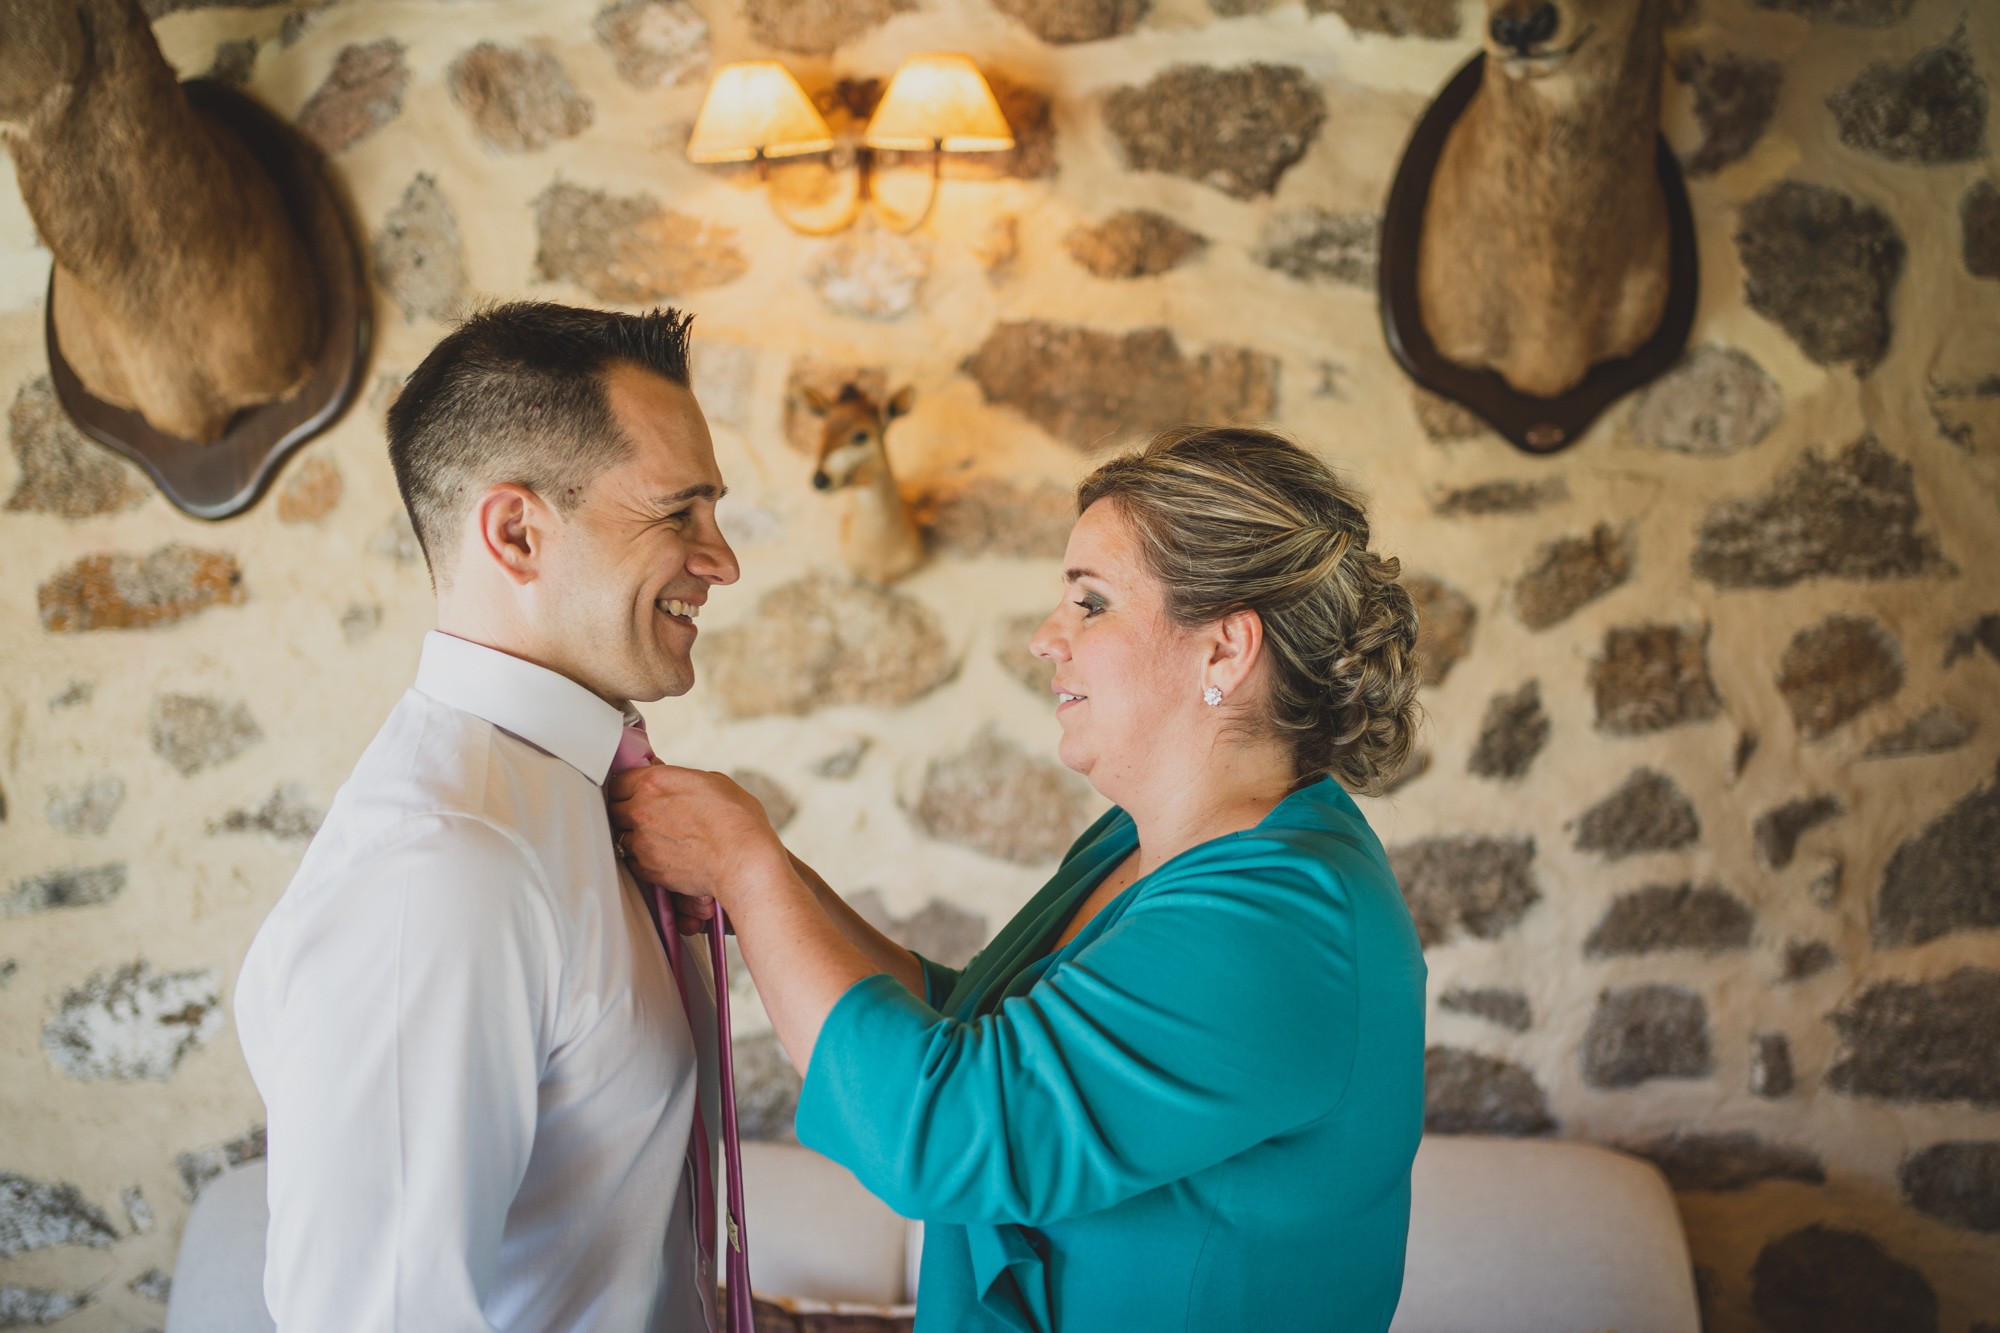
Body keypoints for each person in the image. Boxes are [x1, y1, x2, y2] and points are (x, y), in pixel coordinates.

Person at [610, 425, 1430, 1332]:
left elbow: (945, 1127)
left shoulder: (1282, 923)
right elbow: (977, 1026)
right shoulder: (1136, 840)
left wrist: (745, 866)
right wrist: (770, 884)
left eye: (1092, 603)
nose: (1047, 638)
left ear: (1225, 651)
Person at [235, 301, 740, 1332]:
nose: (721, 559)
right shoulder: (442, 866)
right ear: (516, 530)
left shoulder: (576, 804)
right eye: (678, 513)